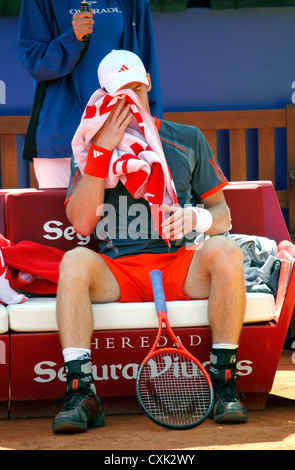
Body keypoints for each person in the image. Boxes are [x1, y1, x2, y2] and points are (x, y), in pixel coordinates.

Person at [52, 49, 248, 434]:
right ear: (105, 98)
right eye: (121, 96)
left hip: (178, 266)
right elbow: (80, 223)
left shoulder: (186, 137)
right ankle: (82, 391)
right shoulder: (92, 145)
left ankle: (223, 382)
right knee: (74, 260)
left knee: (226, 249)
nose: (131, 104)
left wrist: (196, 217)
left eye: (137, 91)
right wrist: (102, 151)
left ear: (149, 86)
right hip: (117, 272)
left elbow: (223, 216)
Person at [18, 0, 162, 188]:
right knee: (57, 216)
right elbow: (35, 61)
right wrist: (73, 39)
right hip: (61, 138)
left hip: (121, 133)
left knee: (117, 216)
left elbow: (145, 65)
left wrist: (152, 127)